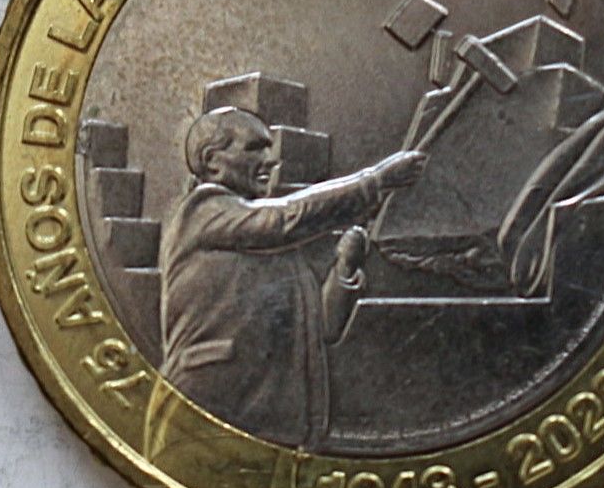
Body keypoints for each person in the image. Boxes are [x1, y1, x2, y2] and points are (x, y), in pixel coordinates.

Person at [147, 106, 426, 453]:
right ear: (212, 162)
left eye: (269, 149)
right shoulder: (201, 211)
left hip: (274, 431)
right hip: (205, 417)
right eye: (254, 148)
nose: (270, 160)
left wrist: (344, 268)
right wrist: (375, 182)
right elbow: (283, 220)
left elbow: (322, 328)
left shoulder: (270, 247)